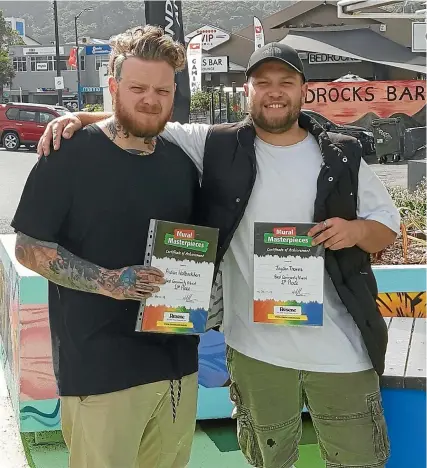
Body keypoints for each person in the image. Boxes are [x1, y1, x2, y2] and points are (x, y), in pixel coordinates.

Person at [38, 42, 400, 468]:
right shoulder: (215, 145)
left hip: (342, 349)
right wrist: (79, 118)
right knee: (268, 462)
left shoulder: (341, 154)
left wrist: (355, 230)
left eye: (286, 82)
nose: (274, 92)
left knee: (358, 461)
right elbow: (147, 120)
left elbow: (387, 228)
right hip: (256, 351)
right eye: (262, 83)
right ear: (246, 90)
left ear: (305, 89)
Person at [14, 26, 202, 468]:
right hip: (101, 371)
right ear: (114, 87)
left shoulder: (181, 162)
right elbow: (28, 246)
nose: (150, 99)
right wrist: (108, 282)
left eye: (161, 90)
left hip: (177, 366)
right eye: (137, 88)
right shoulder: (69, 155)